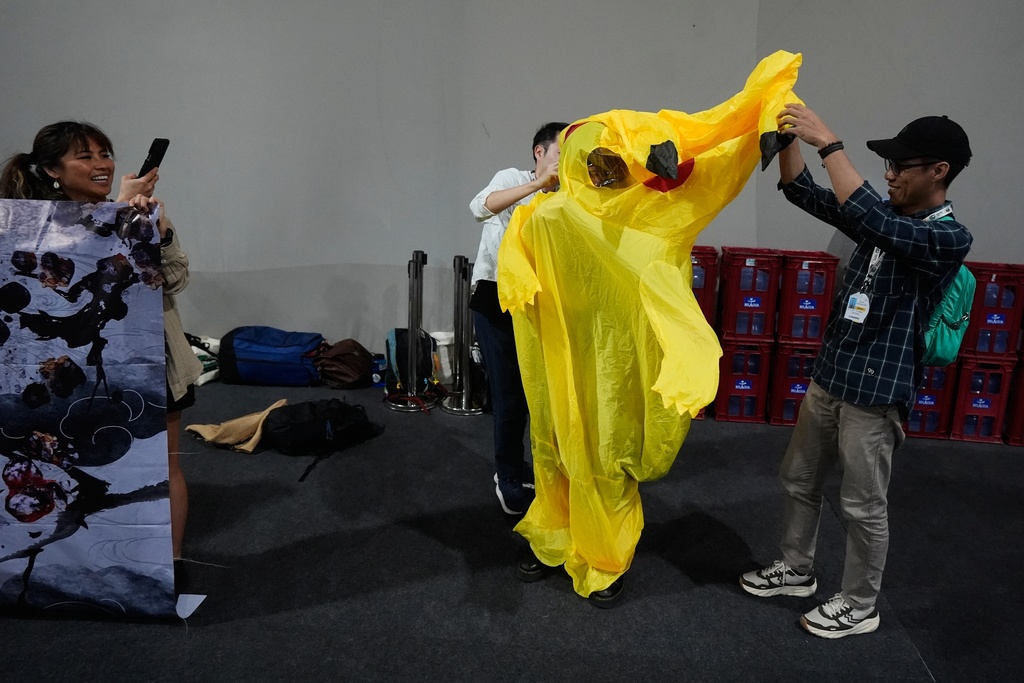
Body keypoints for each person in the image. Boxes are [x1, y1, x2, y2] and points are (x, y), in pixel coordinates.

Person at [740, 107, 973, 638]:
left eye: (900, 165)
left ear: (938, 170)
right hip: (831, 377)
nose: (889, 173)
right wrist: (789, 140)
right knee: (798, 479)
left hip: (876, 394)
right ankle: (797, 572)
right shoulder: (884, 216)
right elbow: (803, 192)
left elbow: (873, 218)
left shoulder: (948, 239)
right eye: (887, 165)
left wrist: (830, 144)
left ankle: (860, 603)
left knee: (863, 506)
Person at [1, 121, 204, 588]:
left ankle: (168, 565)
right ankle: (69, 560)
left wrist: (153, 228)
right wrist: (114, 213)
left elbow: (172, 282)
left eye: (104, 154)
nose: (101, 165)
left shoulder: (139, 213)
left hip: (151, 365)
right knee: (58, 464)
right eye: (85, 157)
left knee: (163, 466)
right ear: (53, 169)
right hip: (63, 374)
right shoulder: (26, 223)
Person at [468, 121, 568, 515]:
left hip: (543, 302)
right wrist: (538, 185)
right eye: (561, 154)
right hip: (497, 297)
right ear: (539, 153)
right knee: (510, 393)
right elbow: (480, 206)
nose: (565, 164)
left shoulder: (571, 196)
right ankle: (508, 475)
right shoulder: (514, 179)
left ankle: (542, 472)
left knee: (544, 396)